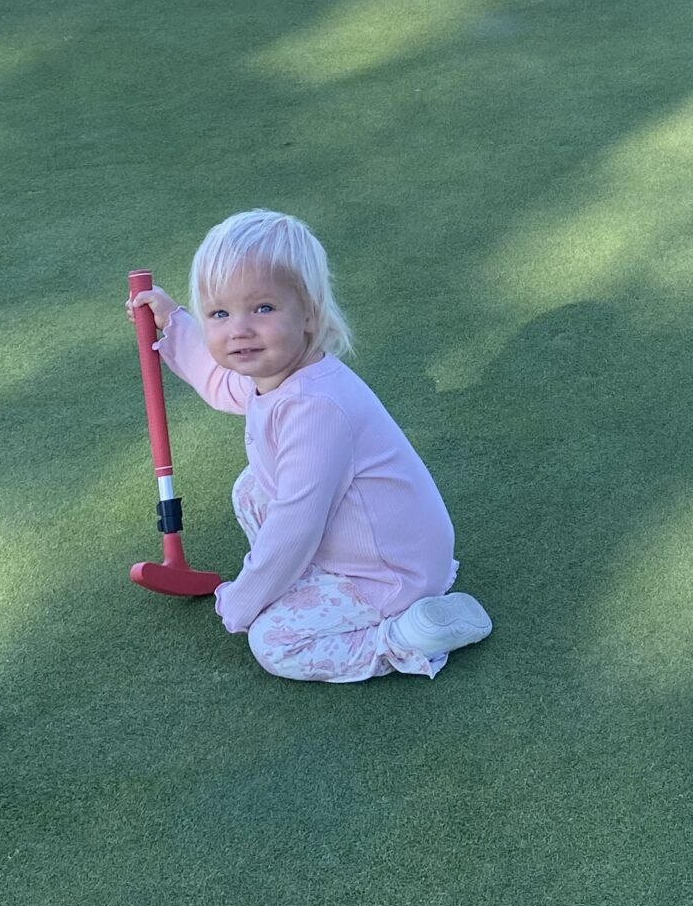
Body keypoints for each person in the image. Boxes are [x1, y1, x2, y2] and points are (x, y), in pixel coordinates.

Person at [127, 208, 491, 682]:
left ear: (309, 314)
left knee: (273, 641)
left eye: (263, 308)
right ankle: (304, 581)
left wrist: (245, 599)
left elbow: (295, 525)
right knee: (250, 487)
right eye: (219, 313)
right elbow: (219, 380)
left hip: (390, 573)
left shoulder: (317, 408)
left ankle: (404, 636)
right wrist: (174, 322)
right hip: (360, 542)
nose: (238, 328)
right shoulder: (277, 376)